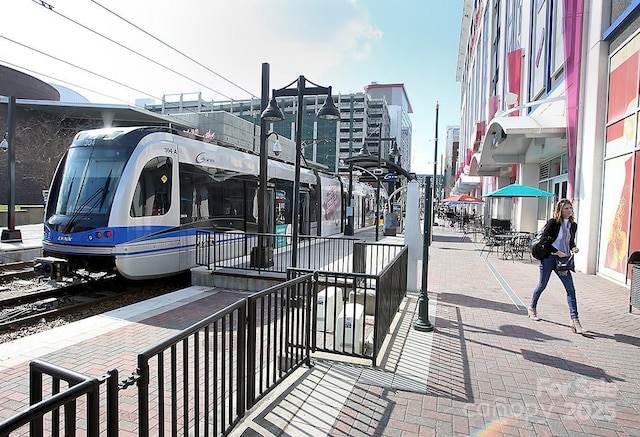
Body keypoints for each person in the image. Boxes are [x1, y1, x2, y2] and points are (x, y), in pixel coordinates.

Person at [527, 198, 585, 334]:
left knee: (570, 289)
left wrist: (574, 248)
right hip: (549, 258)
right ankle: (532, 308)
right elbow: (544, 241)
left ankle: (574, 320)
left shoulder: (573, 225)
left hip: (563, 261)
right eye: (566, 208)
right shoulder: (553, 223)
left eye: (570, 208)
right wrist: (556, 251)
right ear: (559, 210)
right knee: (542, 285)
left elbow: (570, 242)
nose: (569, 211)